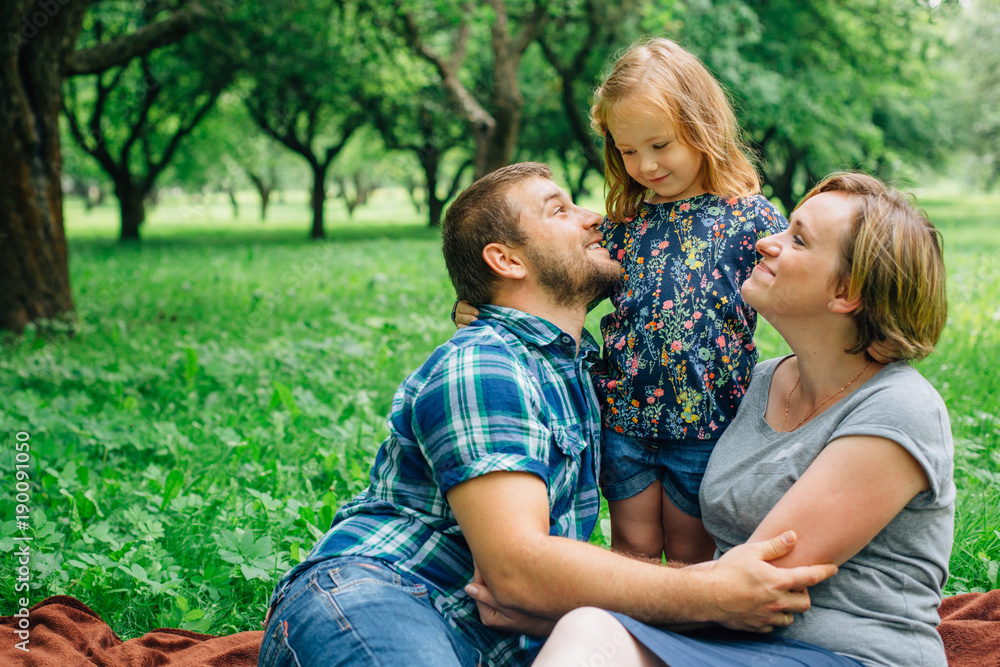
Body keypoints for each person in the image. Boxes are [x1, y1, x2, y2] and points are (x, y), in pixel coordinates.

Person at [257, 163, 837, 667]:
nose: (593, 218)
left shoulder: (580, 373)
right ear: (506, 259)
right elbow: (517, 569)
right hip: (383, 595)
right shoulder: (484, 364)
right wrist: (712, 591)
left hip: (503, 638)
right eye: (559, 209)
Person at [506, 172, 953, 667]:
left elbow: (749, 588)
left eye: (797, 239)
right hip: (727, 644)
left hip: (842, 654)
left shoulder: (898, 408)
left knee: (588, 630)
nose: (765, 240)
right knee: (591, 633)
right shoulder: (764, 382)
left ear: (846, 292)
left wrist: (549, 602)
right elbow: (718, 593)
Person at [455, 37, 788, 566]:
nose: (645, 165)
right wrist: (482, 308)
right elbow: (556, 288)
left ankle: (679, 648)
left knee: (689, 559)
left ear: (703, 129)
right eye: (628, 151)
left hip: (705, 421)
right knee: (629, 551)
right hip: (625, 421)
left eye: (660, 145)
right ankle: (622, 643)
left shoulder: (750, 219)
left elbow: (798, 296)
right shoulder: (626, 227)